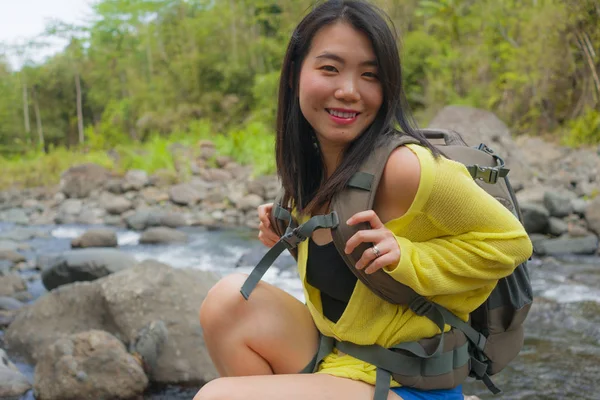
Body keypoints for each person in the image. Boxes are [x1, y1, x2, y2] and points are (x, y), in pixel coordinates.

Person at [193, 1, 533, 399]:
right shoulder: (311, 167)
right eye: (329, 68)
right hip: (341, 357)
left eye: (370, 75)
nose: (349, 91)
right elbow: (344, 267)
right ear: (294, 75)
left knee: (218, 396)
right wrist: (289, 234)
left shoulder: (406, 168)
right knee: (227, 302)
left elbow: (513, 242)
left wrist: (408, 257)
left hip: (407, 381)